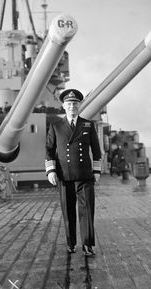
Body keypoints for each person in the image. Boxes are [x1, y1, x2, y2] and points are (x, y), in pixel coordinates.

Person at [45, 89, 101, 256]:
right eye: (69, 104)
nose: (72, 107)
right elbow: (49, 150)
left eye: (75, 104)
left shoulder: (88, 125)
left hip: (85, 176)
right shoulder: (56, 126)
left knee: (87, 211)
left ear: (79, 106)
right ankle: (71, 243)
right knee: (68, 211)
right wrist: (51, 171)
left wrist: (97, 171)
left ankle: (87, 244)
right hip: (65, 175)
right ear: (63, 106)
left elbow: (97, 151)